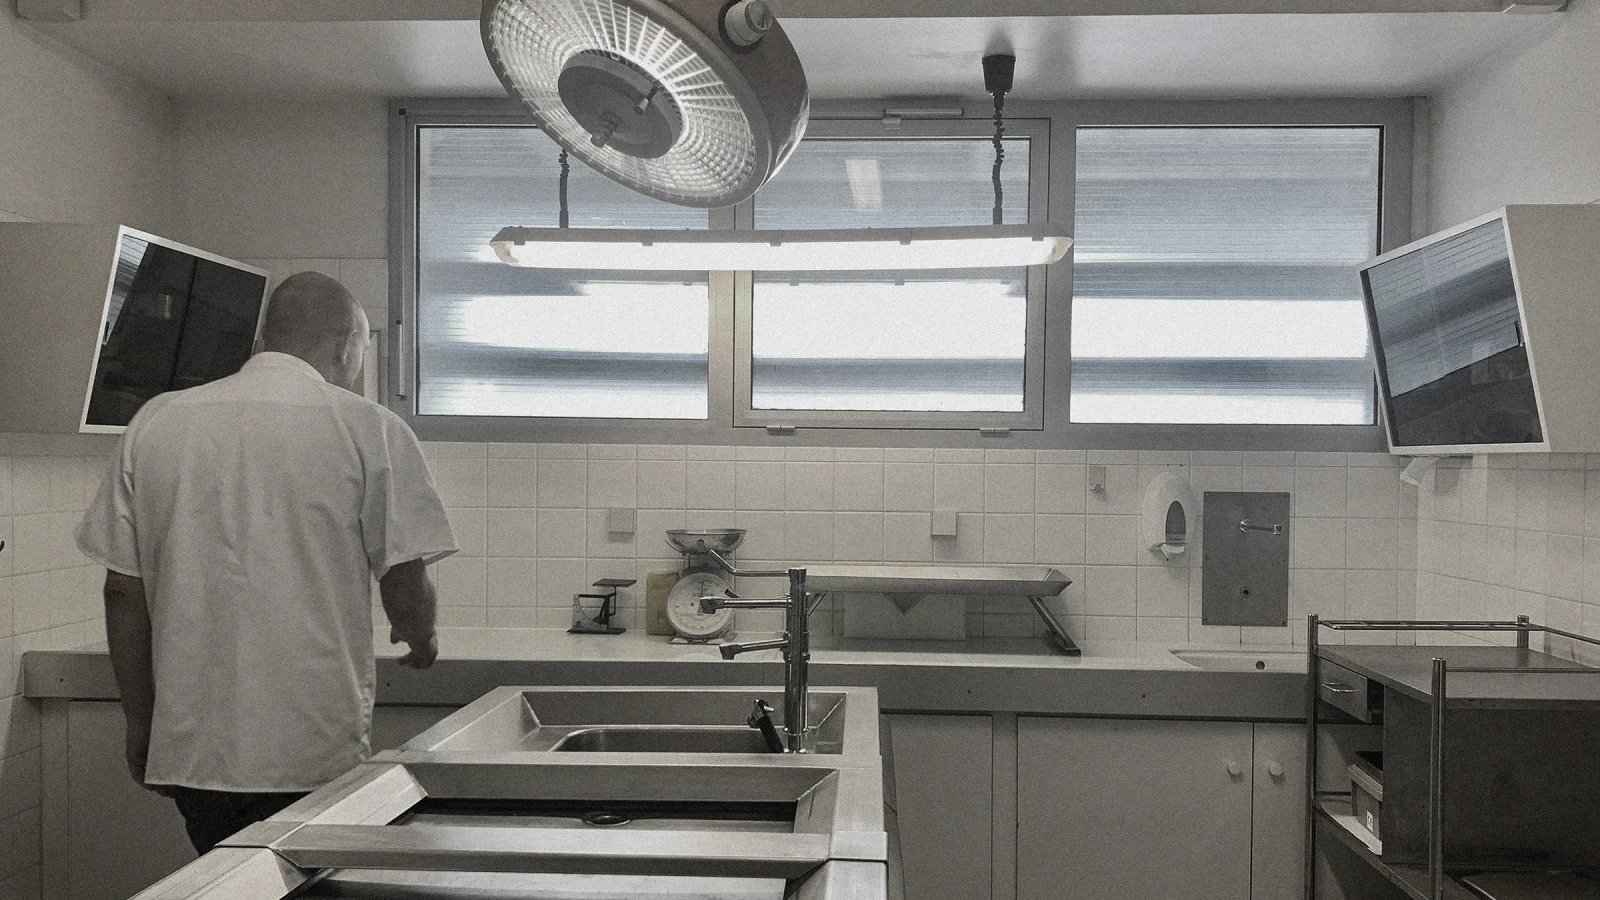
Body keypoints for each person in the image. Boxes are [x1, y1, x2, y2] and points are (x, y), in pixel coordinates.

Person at [76, 272, 457, 856]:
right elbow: (404, 575)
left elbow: (122, 593)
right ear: (346, 346)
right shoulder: (368, 427)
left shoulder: (156, 422)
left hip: (192, 749)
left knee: (226, 878)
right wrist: (420, 633)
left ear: (264, 339)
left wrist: (140, 721)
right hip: (309, 747)